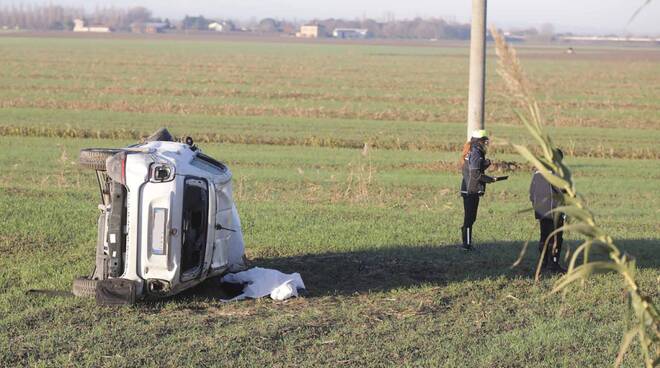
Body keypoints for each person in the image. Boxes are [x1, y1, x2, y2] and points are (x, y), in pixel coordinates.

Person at [459, 130, 506, 251]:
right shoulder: (475, 152)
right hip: (471, 190)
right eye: (485, 141)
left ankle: (466, 243)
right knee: (470, 218)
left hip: (469, 189)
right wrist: (490, 179)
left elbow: (473, 168)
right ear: (479, 141)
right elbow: (475, 174)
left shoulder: (472, 151)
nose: (486, 143)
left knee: (470, 218)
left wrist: (485, 163)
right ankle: (467, 245)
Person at [529, 150, 566, 273]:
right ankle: (553, 264)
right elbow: (564, 191)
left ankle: (543, 263)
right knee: (556, 238)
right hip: (555, 210)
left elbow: (531, 192)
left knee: (544, 237)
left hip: (541, 210)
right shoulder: (557, 172)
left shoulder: (537, 171)